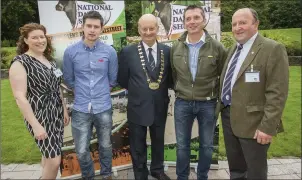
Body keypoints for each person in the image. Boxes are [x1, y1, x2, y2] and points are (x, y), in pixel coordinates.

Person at [219, 8, 289, 179]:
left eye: (243, 22)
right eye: (234, 24)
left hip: (254, 123)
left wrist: (267, 127)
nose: (237, 27)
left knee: (255, 171)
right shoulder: (232, 50)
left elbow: (277, 92)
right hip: (229, 117)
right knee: (236, 169)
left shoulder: (272, 49)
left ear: (256, 24)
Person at [170, 5, 227, 180]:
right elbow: (174, 75)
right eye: (188, 18)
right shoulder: (175, 47)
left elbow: (223, 75)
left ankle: (202, 176)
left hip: (208, 103)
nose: (192, 22)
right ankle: (182, 177)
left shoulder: (217, 47)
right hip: (182, 103)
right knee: (182, 146)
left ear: (204, 20)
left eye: (196, 18)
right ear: (184, 22)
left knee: (207, 146)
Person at [9, 23, 70, 179]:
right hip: (40, 116)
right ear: (26, 40)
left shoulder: (50, 61)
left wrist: (63, 109)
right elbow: (19, 96)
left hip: (55, 113)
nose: (39, 40)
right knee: (54, 161)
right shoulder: (20, 62)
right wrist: (36, 126)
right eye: (34, 37)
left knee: (47, 156)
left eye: (42, 37)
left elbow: (57, 88)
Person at [63, 11, 118, 179]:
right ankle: (89, 176)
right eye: (89, 26)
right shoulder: (70, 52)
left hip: (103, 107)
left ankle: (107, 174)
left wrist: (100, 93)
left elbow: (112, 79)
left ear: (102, 29)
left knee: (106, 145)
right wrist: (82, 91)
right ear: (82, 27)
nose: (92, 30)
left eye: (96, 27)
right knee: (81, 150)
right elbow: (69, 79)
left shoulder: (109, 52)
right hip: (80, 108)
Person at [118, 14, 172, 180]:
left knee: (158, 141)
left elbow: (170, 78)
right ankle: (140, 174)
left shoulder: (167, 51)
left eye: (152, 28)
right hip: (137, 106)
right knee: (137, 144)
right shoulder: (127, 52)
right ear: (139, 29)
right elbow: (123, 79)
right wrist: (140, 90)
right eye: (144, 29)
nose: (148, 32)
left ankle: (157, 170)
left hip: (160, 106)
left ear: (157, 28)